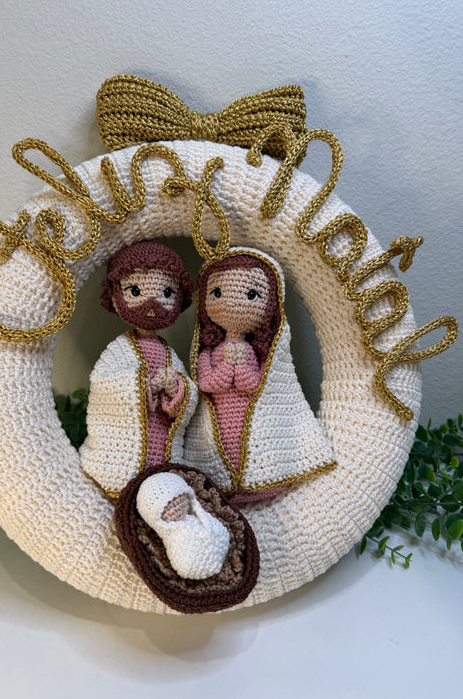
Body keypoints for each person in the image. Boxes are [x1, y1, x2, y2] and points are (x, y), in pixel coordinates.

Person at [80, 240, 229, 580]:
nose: (152, 304)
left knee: (168, 497)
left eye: (166, 293)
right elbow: (105, 386)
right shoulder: (119, 351)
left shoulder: (168, 352)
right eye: (135, 291)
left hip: (163, 451)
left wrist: (177, 388)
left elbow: (190, 397)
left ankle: (188, 543)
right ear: (116, 296)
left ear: (180, 299)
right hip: (126, 453)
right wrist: (144, 386)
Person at [183, 248, 337, 503]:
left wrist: (241, 367)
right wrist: (227, 367)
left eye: (251, 295)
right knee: (220, 451)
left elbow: (254, 385)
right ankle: (225, 483)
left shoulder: (258, 354)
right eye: (217, 293)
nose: (232, 303)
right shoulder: (207, 353)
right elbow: (207, 384)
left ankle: (257, 480)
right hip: (218, 421)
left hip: (252, 418)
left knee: (253, 448)